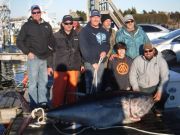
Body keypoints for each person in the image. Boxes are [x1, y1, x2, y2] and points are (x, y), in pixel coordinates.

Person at [17, 5, 54, 109]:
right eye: (34, 13)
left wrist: (50, 56)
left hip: (45, 58)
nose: (36, 14)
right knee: (33, 83)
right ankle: (33, 104)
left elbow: (51, 41)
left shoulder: (47, 25)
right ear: (31, 14)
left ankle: (42, 102)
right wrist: (27, 52)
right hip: (33, 58)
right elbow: (19, 41)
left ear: (41, 13)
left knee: (44, 82)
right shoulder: (27, 26)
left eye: (38, 12)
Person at [47, 15, 83, 108]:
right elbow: (49, 53)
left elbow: (80, 51)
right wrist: (49, 66)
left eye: (70, 23)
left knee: (72, 93)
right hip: (60, 68)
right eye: (66, 23)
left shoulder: (78, 36)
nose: (68, 25)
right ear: (62, 24)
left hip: (74, 67)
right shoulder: (55, 36)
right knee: (58, 92)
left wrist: (82, 64)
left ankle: (71, 112)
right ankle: (56, 112)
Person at [129, 43, 169, 116]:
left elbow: (165, 77)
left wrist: (160, 91)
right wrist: (135, 88)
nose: (148, 53)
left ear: (153, 50)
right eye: (145, 51)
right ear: (143, 52)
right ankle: (140, 112)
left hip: (154, 87)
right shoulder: (137, 60)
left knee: (164, 93)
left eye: (150, 50)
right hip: (141, 88)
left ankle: (158, 109)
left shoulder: (161, 60)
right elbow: (132, 75)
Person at [79, 9, 110, 94]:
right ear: (90, 18)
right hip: (90, 63)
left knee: (99, 84)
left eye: (97, 17)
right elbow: (83, 48)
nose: (96, 19)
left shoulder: (104, 31)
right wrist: (93, 62)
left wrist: (105, 51)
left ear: (100, 18)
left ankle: (97, 104)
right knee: (90, 86)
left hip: (101, 62)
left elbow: (107, 44)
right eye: (93, 17)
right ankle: (89, 104)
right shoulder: (84, 31)